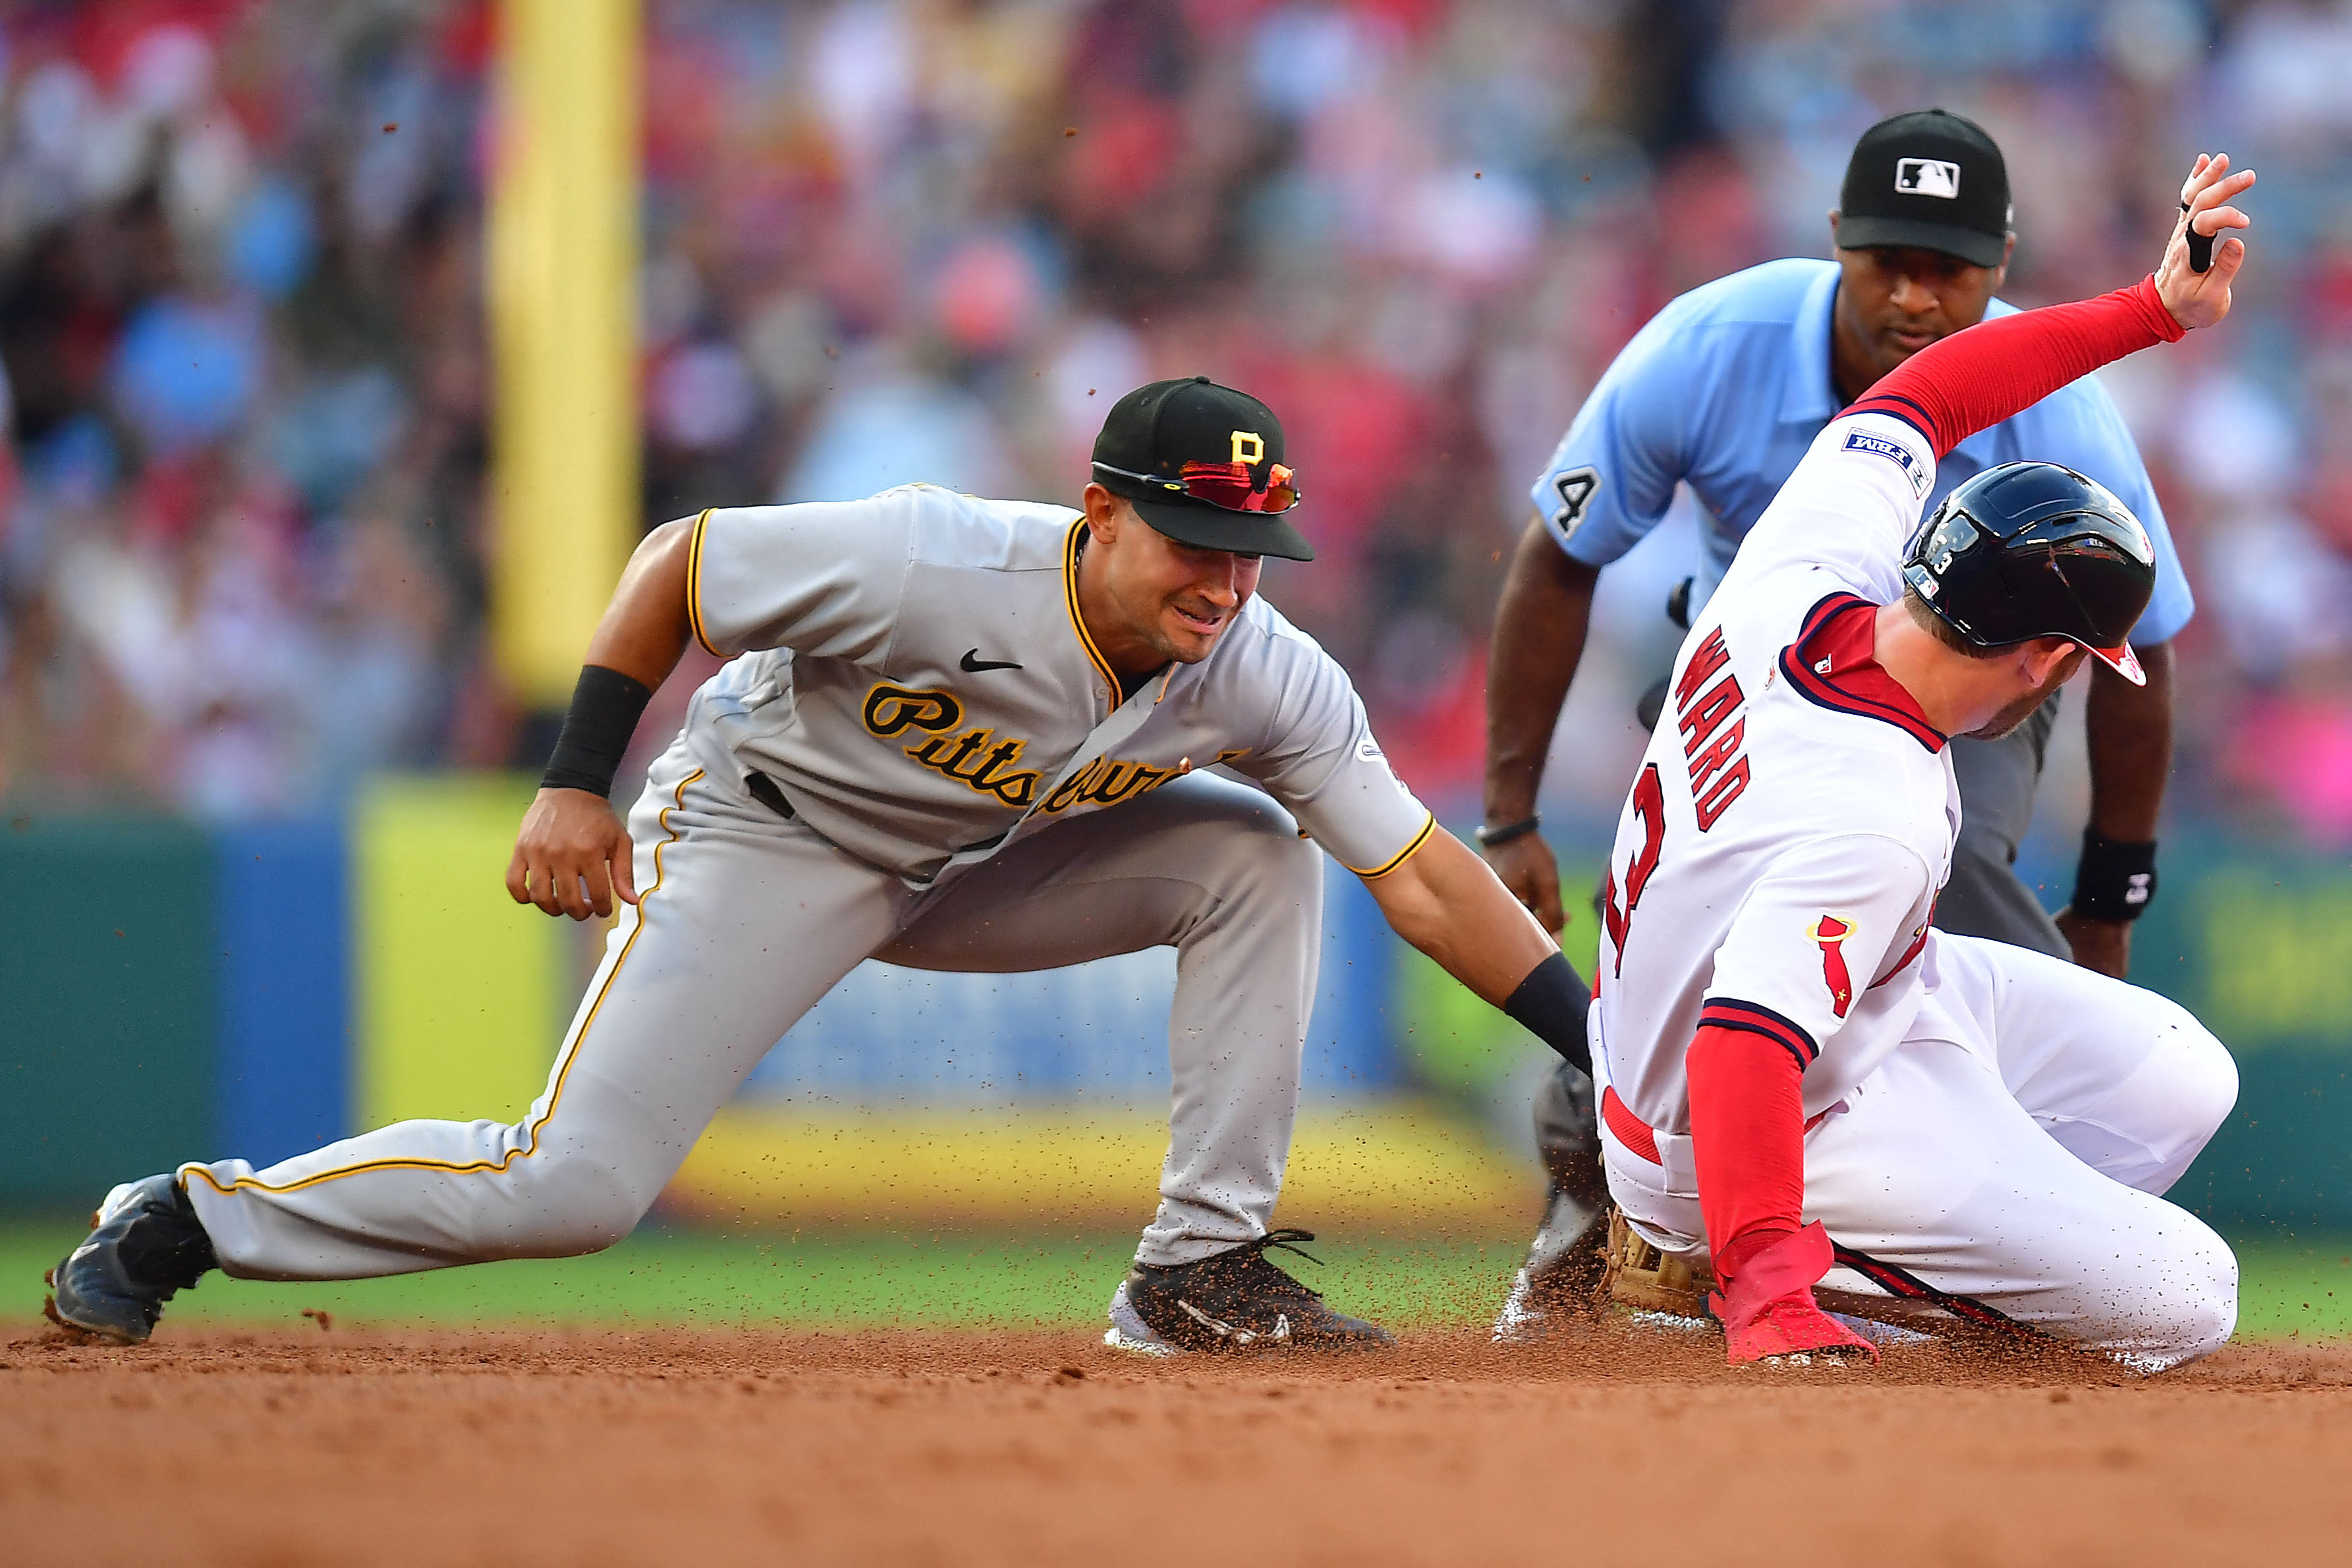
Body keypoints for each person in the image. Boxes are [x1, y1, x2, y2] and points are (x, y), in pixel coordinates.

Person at [44, 376, 1594, 1353]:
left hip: (972, 862)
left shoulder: (1263, 668)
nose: (1226, 576)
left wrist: (1602, 1043)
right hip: (761, 833)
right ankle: (193, 1212)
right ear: (1100, 514)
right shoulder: (936, 553)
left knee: (1261, 855)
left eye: (1252, 546)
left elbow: (1415, 870)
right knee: (572, 1185)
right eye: (1192, 533)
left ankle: (1198, 1271)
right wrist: (576, 779)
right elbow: (682, 567)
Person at [1484, 111, 2195, 1338]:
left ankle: (1913, 1190)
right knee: (2186, 1296)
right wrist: (1766, 1300)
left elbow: (1923, 397)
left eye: (1951, 271)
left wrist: (2152, 309)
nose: (1917, 297)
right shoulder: (1883, 818)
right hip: (1756, 1013)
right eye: (1889, 264)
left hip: (1757, 664)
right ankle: (1722, 1246)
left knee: (2182, 1075)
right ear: (2043, 660)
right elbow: (1743, 1043)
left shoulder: (1812, 543)